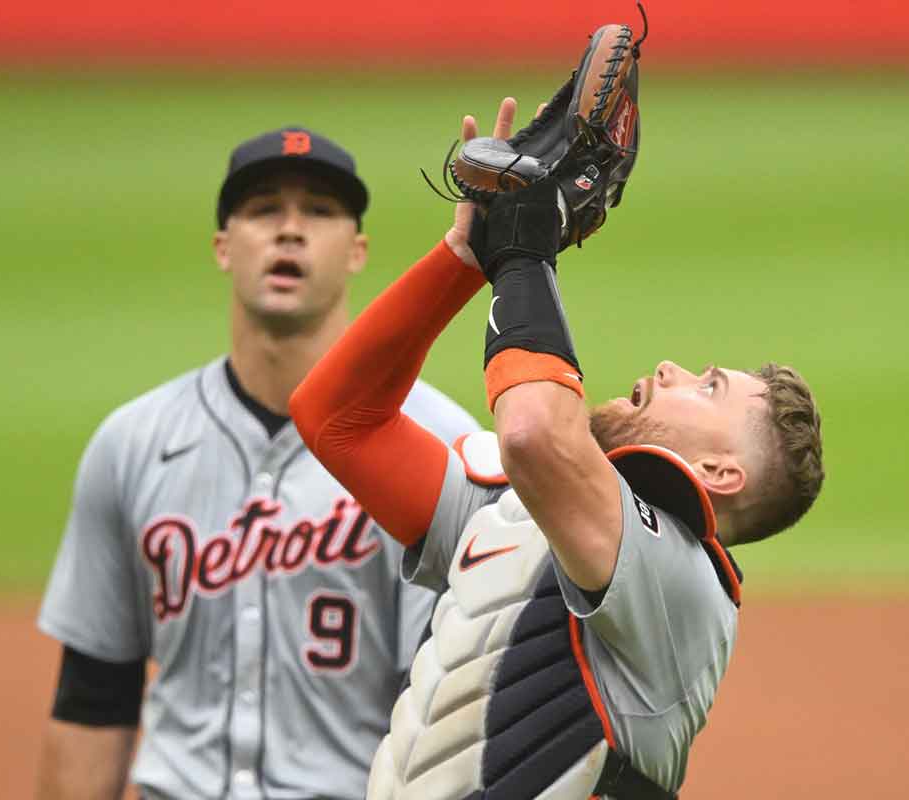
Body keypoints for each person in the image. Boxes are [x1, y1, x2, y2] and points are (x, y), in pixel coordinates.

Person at [289, 97, 825, 799]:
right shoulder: (515, 514)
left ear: (720, 473)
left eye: (709, 387)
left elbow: (536, 434)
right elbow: (337, 420)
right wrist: (465, 257)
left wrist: (525, 253)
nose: (672, 369)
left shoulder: (682, 588)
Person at [34, 126, 481, 800]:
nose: (290, 231)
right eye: (264, 209)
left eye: (320, 212)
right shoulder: (131, 443)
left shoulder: (439, 444)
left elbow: (448, 715)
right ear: (224, 247)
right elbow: (95, 695)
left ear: (357, 251)